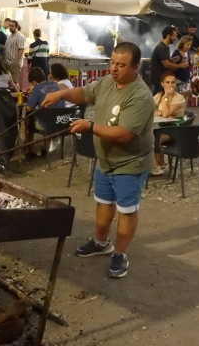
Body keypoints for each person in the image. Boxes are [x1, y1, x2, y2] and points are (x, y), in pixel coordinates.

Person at [41, 42, 153, 278]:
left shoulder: (140, 96)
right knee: (103, 202)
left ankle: (120, 253)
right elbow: (84, 93)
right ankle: (101, 242)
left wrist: (90, 126)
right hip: (105, 159)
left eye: (121, 65)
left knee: (127, 210)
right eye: (112, 62)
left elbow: (124, 134)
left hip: (129, 162)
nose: (114, 68)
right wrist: (60, 93)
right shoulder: (107, 82)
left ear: (135, 68)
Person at [152, 74, 186, 175]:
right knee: (148, 136)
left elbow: (166, 113)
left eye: (173, 82)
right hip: (162, 128)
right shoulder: (158, 96)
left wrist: (166, 97)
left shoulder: (179, 98)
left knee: (152, 138)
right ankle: (159, 164)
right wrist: (158, 112)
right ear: (162, 84)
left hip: (176, 131)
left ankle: (156, 166)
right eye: (167, 82)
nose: (170, 85)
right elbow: (149, 109)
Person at [149, 25, 187, 93]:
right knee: (158, 101)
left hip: (162, 79)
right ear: (168, 36)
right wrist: (180, 65)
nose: (175, 38)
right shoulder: (161, 47)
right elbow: (166, 65)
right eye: (174, 36)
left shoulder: (166, 47)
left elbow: (165, 61)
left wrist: (172, 60)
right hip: (158, 81)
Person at [4, 19, 26, 88]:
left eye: (12, 26)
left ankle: (17, 98)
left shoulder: (20, 36)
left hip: (14, 63)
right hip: (8, 62)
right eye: (10, 26)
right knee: (9, 83)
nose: (10, 27)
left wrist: (15, 62)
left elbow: (21, 49)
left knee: (15, 82)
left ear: (16, 27)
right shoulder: (9, 36)